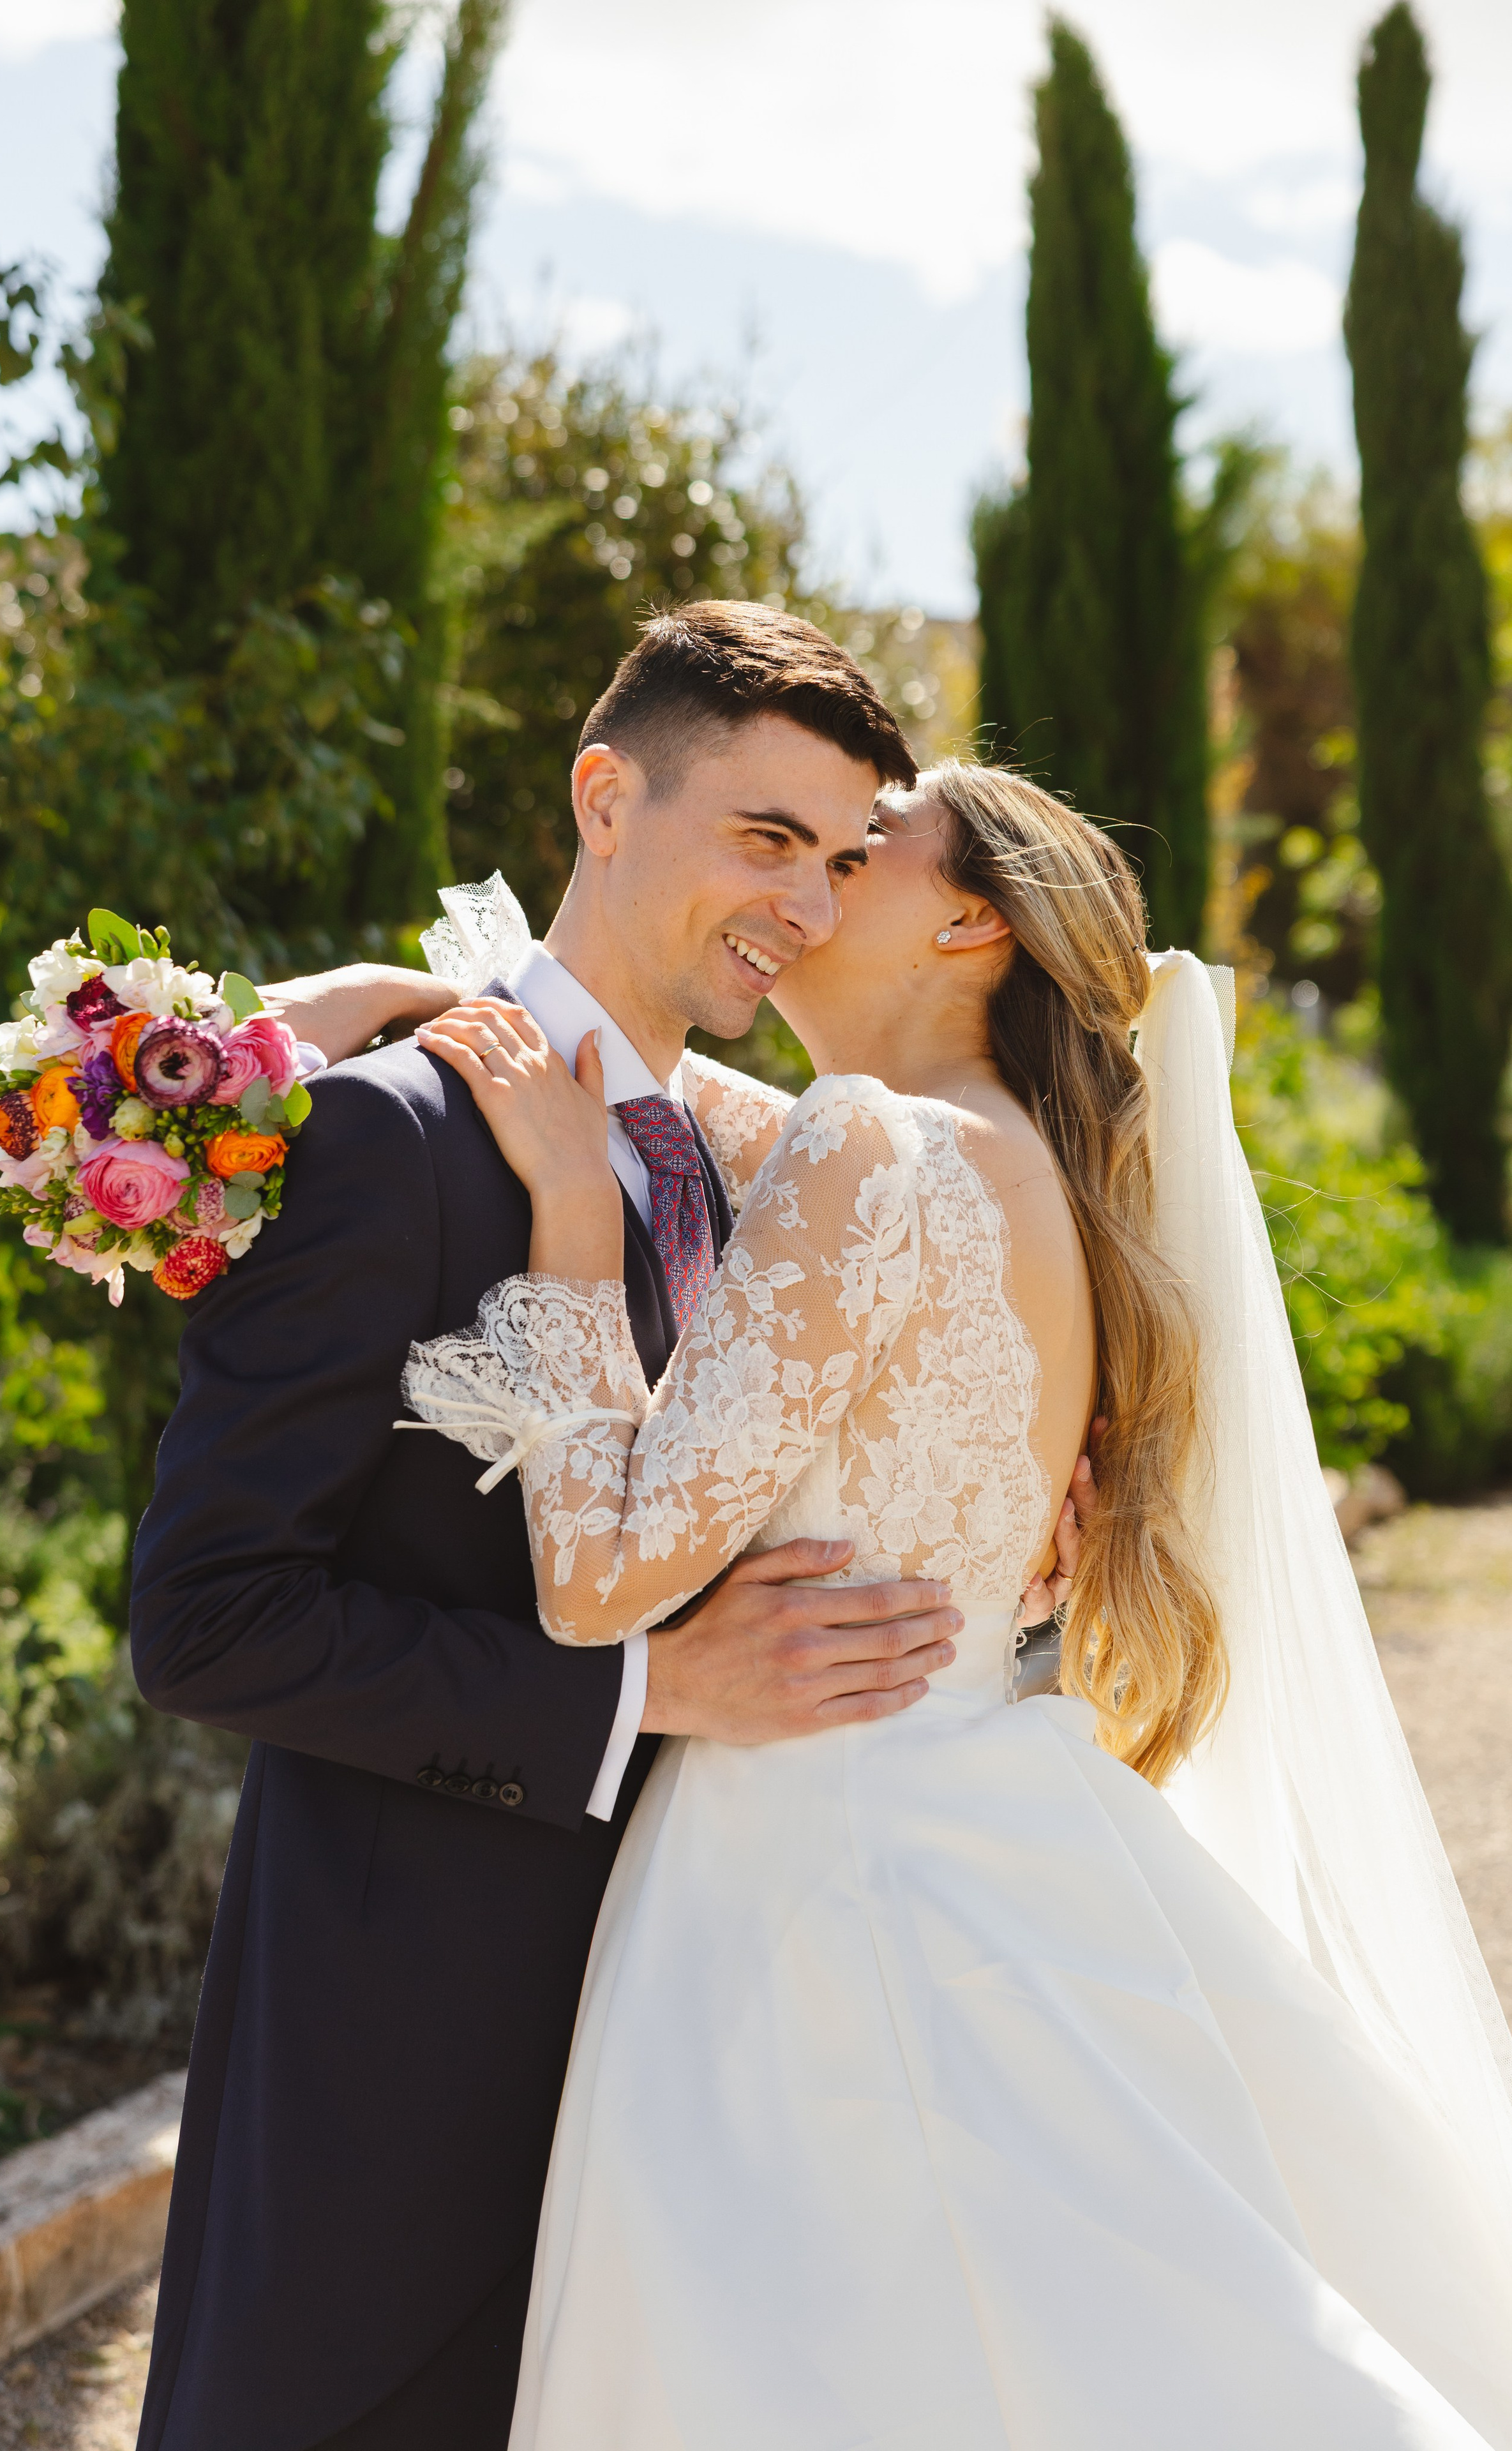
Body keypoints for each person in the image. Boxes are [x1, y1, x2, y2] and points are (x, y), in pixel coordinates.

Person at [401, 760, 1512, 2447]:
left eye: (862, 855)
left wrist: (566, 1216)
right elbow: (652, 1076)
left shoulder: (866, 1141)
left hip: (814, 1869)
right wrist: (379, 1000)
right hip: (1001, 1795)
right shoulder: (1025, 1173)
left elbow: (599, 1580)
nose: (806, 893)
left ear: (967, 917)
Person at [129, 604, 1089, 2451]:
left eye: (839, 860)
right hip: (405, 2064)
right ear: (601, 797)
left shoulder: (767, 1156)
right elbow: (211, 1618)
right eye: (765, 841)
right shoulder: (388, 1141)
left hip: (722, 2031)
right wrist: (638, 1690)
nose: (808, 905)